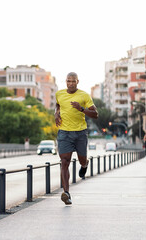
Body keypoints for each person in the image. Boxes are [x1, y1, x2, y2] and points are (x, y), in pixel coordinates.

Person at [55, 72, 98, 205]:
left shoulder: (84, 95)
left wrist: (81, 109)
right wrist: (56, 113)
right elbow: (58, 104)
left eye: (73, 81)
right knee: (64, 161)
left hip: (80, 133)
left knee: (81, 160)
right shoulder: (59, 94)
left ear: (77, 82)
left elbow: (95, 114)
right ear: (66, 81)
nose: (71, 83)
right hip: (64, 133)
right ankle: (66, 193)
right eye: (69, 81)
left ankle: (85, 165)